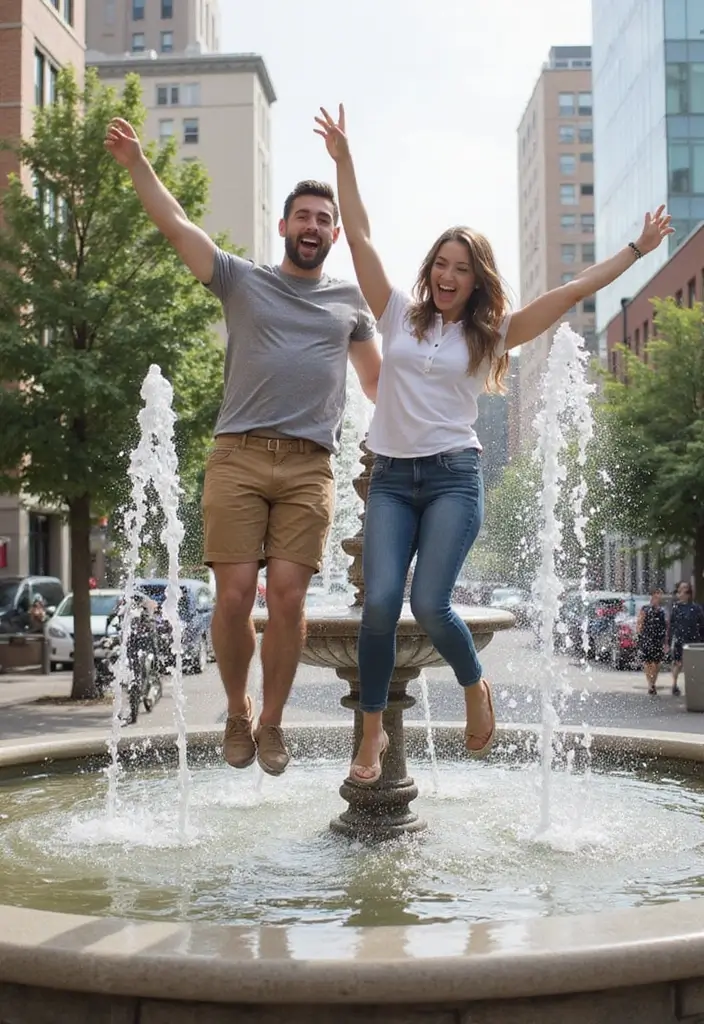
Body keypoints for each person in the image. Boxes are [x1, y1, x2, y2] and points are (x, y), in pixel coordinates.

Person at [314, 103, 674, 785]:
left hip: (452, 480)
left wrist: (635, 251)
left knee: (429, 605)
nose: (448, 275)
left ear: (477, 278)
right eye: (441, 263)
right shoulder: (395, 314)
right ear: (430, 269)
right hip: (391, 479)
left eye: (462, 267)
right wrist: (343, 159)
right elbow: (358, 236)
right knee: (382, 600)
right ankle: (370, 740)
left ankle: (474, 686)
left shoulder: (492, 334)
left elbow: (567, 293)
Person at [105, 118, 380, 776]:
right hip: (238, 456)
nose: (313, 227)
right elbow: (176, 225)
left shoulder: (351, 302)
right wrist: (139, 162)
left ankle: (275, 722)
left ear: (333, 234)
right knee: (233, 597)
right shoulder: (241, 280)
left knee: (288, 596)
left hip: (310, 466)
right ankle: (237, 708)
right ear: (284, 227)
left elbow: (378, 382)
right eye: (303, 217)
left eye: (324, 219)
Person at [668, 580, 704, 696]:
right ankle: (674, 684)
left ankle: (692, 686)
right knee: (677, 663)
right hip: (680, 638)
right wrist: (669, 641)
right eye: (680, 590)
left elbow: (701, 624)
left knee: (692, 664)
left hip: (693, 639)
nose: (682, 593)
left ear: (688, 593)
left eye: (685, 590)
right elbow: (671, 625)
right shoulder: (675, 608)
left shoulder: (696, 608)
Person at [636, 589, 667, 696]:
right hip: (647, 638)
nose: (659, 596)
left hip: (658, 639)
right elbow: (640, 622)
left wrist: (666, 641)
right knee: (648, 662)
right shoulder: (645, 608)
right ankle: (650, 684)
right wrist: (640, 636)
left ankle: (653, 682)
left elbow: (665, 626)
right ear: (653, 595)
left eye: (660, 595)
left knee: (657, 663)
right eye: (657, 594)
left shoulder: (662, 610)